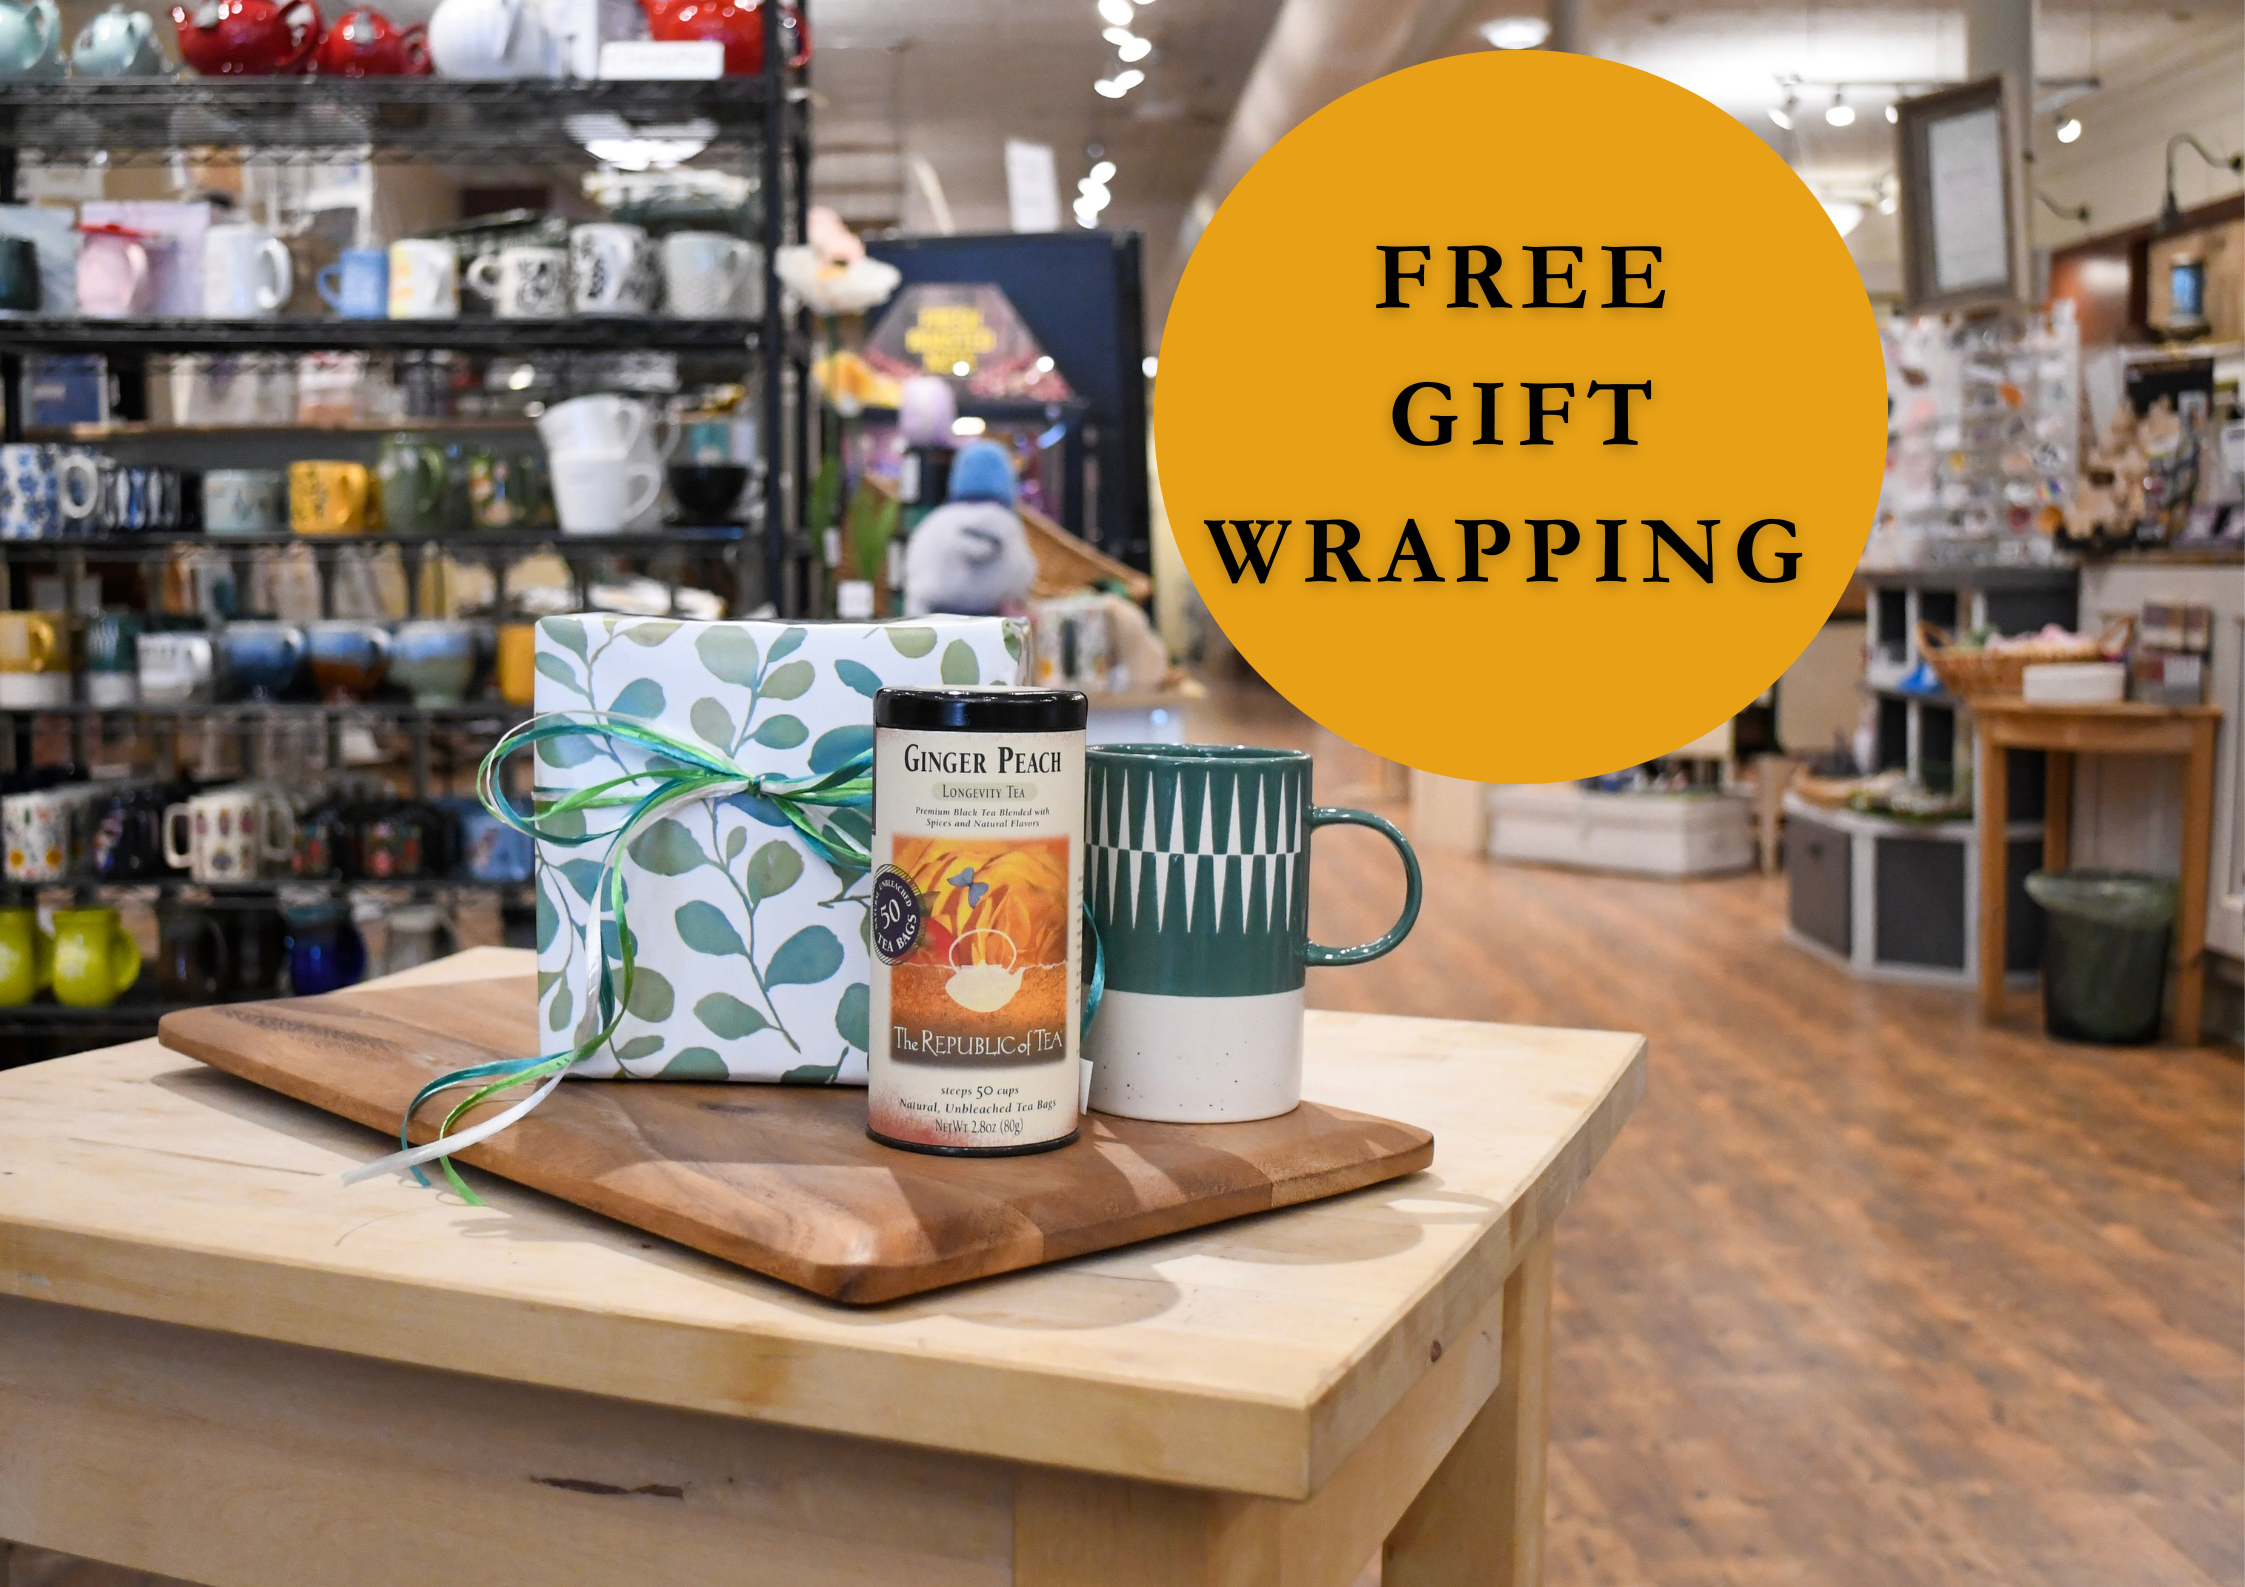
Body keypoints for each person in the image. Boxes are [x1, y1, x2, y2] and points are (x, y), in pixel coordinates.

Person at [901, 439, 1039, 617]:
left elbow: (915, 578)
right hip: (993, 630)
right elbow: (1024, 575)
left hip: (933, 630)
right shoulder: (1008, 525)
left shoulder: (934, 524)